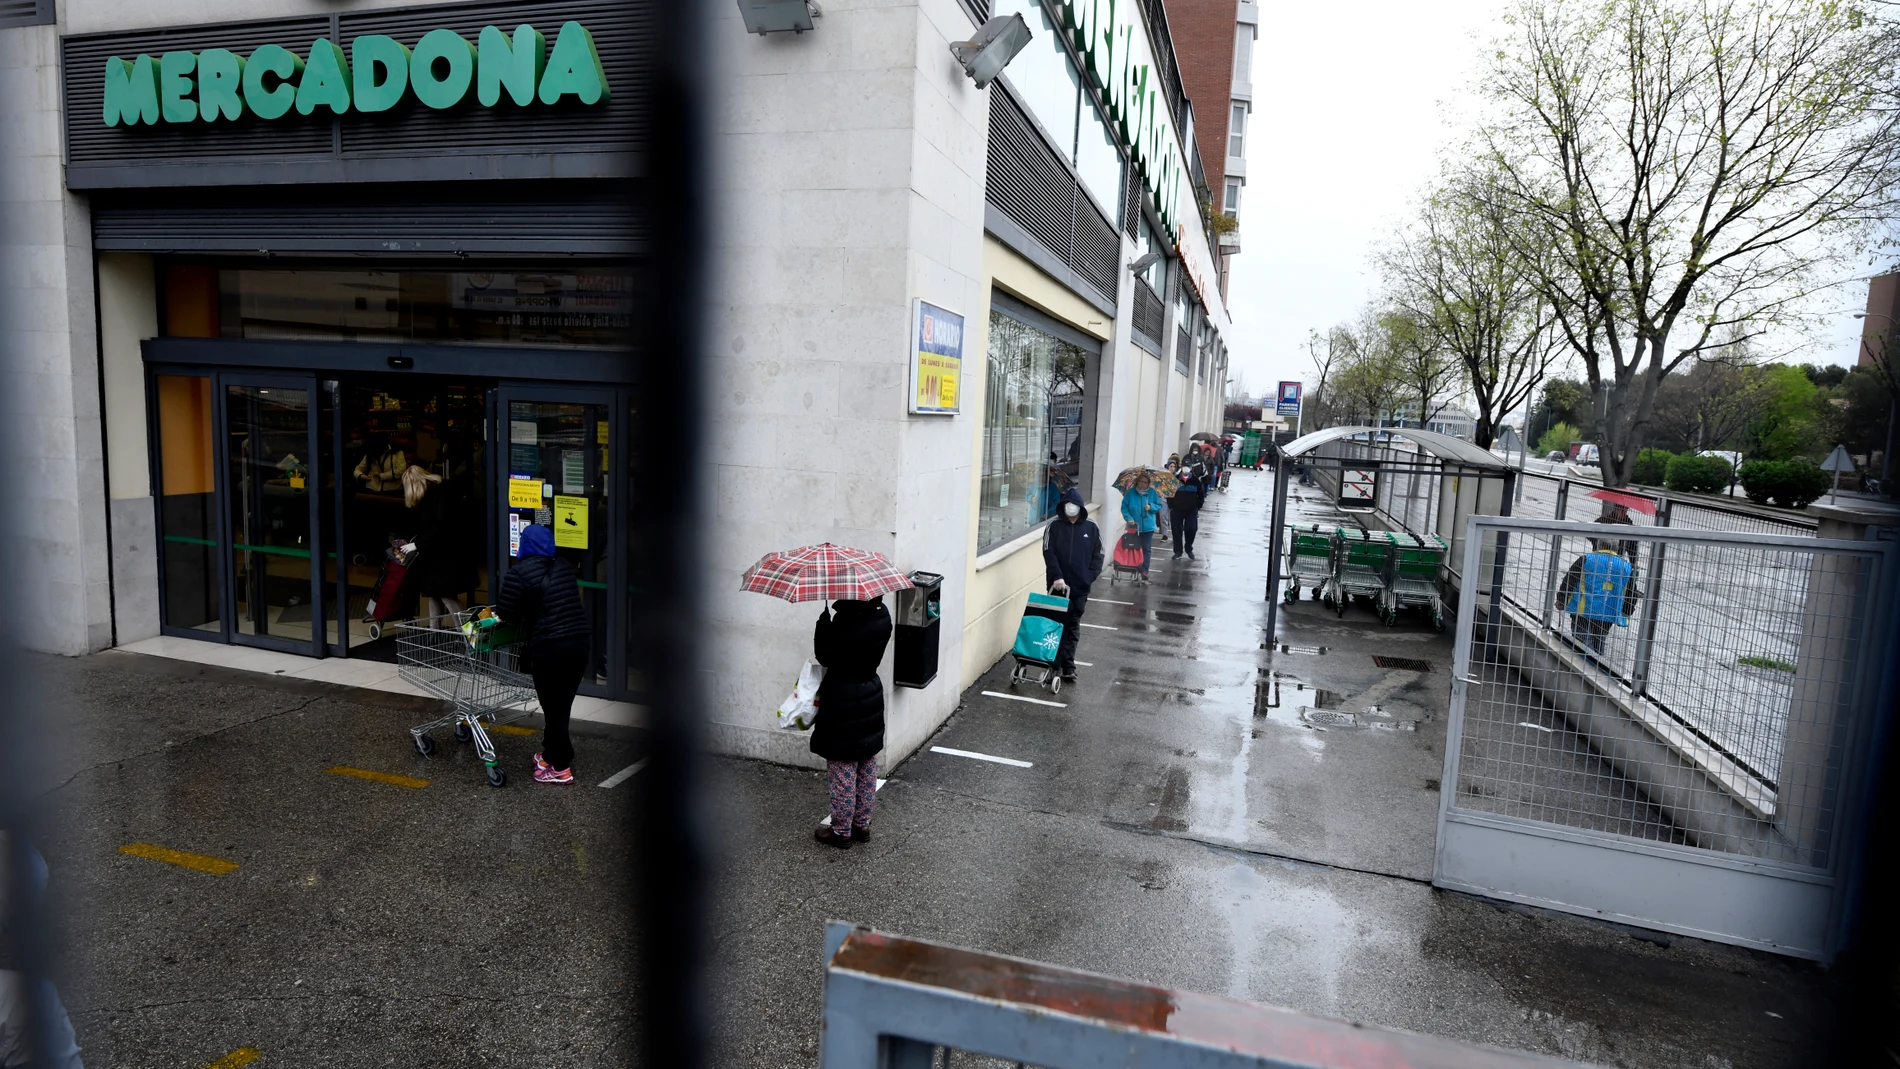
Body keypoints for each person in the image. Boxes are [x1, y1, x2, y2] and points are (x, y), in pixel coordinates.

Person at [496, 523, 592, 784]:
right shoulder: (563, 566)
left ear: (525, 545)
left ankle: (560, 766)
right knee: (561, 705)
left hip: (550, 648)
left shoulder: (518, 573)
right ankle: (552, 754)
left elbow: (506, 612)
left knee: (554, 707)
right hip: (579, 644)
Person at [809, 597, 893, 849]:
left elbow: (826, 655)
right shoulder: (882, 615)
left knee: (842, 764)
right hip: (869, 692)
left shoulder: (847, 620)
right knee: (866, 761)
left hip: (843, 696)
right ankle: (861, 824)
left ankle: (841, 830)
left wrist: (823, 623)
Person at [1042, 486, 1103, 682]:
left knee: (1073, 625)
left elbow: (1098, 554)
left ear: (1080, 507)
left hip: (1079, 588)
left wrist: (1089, 577)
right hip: (1057, 586)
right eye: (1068, 505)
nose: (1071, 509)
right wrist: (1057, 576)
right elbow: (1048, 552)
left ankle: (1068, 666)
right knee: (1057, 624)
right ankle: (1054, 663)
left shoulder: (1091, 527)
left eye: (1074, 506)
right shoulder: (1054, 526)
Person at [1557, 538, 1638, 657]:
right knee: (1599, 641)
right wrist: (1627, 610)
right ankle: (1596, 667)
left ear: (1598, 546)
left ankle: (1583, 667)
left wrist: (1561, 599)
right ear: (1617, 549)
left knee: (1582, 643)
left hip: (1583, 611)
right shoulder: (1626, 567)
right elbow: (1631, 592)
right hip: (1608, 613)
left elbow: (1569, 580)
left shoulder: (1586, 559)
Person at [1119, 473, 1163, 580]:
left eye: (1145, 482)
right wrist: (1129, 518)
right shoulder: (1130, 493)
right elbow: (1124, 508)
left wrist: (1151, 506)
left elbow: (1159, 506)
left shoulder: (1152, 493)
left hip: (1148, 527)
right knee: (1133, 547)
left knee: (1146, 548)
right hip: (1134, 526)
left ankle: (1144, 570)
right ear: (1137, 482)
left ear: (1148, 483)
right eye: (1141, 481)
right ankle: (1134, 567)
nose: (1143, 484)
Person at [1171, 447, 1209, 559]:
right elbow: (1169, 494)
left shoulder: (1196, 481)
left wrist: (1197, 507)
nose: (1186, 469)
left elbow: (1201, 495)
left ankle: (1188, 548)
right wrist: (1172, 506)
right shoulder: (1175, 480)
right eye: (1184, 467)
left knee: (1191, 529)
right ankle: (1178, 551)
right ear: (1181, 467)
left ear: (1191, 468)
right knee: (1176, 531)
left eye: (1188, 467)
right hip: (1177, 510)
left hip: (1191, 510)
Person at [1158, 453, 1181, 543]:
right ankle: (1165, 534)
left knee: (1172, 517)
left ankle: (1174, 533)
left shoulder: (1177, 477)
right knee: (1163, 516)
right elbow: (1158, 486)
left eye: (1173, 467)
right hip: (1164, 498)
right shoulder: (1163, 476)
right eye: (1170, 466)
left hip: (1173, 499)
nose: (1172, 468)